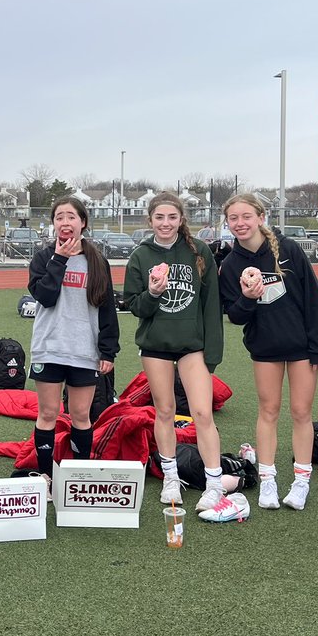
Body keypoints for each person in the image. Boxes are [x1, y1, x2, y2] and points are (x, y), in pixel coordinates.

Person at [219, 193, 318, 511]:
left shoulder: (289, 250)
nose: (240, 223)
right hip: (265, 348)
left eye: (246, 216)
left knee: (301, 412)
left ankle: (301, 482)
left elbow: (313, 301)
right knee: (268, 411)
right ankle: (268, 480)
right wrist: (249, 297)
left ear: (261, 217)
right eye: (233, 219)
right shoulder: (230, 264)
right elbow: (236, 316)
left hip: (301, 348)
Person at [124, 192, 225, 511]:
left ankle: (214, 483)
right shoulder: (140, 256)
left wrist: (212, 355)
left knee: (203, 413)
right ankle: (170, 478)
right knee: (164, 412)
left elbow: (211, 306)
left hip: (192, 347)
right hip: (155, 347)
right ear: (150, 220)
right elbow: (134, 305)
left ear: (181, 219)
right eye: (159, 217)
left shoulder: (200, 251)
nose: (165, 223)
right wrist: (153, 293)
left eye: (172, 217)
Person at [26, 198, 119, 487]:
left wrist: (108, 349)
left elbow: (106, 308)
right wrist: (60, 259)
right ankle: (45, 475)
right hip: (50, 348)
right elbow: (45, 296)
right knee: (49, 413)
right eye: (59, 217)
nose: (65, 223)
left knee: (81, 415)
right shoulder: (43, 259)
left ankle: (78, 477)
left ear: (83, 222)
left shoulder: (97, 261)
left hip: (84, 350)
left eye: (71, 217)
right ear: (53, 223)